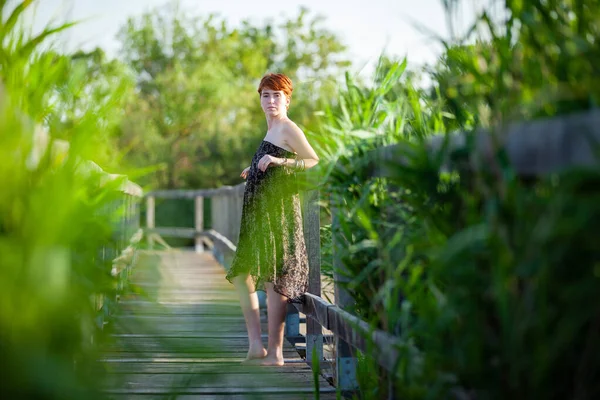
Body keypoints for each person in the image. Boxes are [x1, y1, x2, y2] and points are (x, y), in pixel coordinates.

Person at [225, 73, 319, 366]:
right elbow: (270, 157)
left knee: (273, 278)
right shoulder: (271, 129)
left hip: (277, 214)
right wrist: (253, 166)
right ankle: (256, 345)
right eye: (266, 95)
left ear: (287, 100)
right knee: (243, 275)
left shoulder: (288, 128)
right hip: (257, 216)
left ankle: (276, 352)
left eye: (277, 95)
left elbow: (314, 160)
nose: (271, 101)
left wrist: (280, 162)